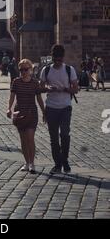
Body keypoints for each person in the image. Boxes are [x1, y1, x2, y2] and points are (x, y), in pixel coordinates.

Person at [40, 44, 78, 174]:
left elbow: (76, 89)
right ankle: (57, 164)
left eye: (59, 59)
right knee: (54, 138)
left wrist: (66, 89)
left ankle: (65, 160)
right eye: (55, 59)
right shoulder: (46, 70)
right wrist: (48, 88)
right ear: (52, 57)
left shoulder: (69, 69)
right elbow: (41, 87)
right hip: (51, 107)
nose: (57, 61)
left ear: (63, 57)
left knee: (65, 135)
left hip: (65, 107)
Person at [7, 59, 45, 173]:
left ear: (30, 70)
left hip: (32, 113)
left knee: (30, 138)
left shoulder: (35, 83)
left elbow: (39, 98)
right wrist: (9, 108)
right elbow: (12, 97)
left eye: (25, 69)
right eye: (21, 70)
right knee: (23, 140)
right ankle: (27, 162)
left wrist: (44, 112)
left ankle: (32, 163)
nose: (23, 72)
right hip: (19, 113)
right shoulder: (16, 82)